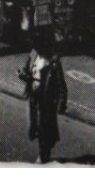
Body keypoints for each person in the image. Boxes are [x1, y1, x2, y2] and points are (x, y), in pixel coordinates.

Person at [17, 29, 68, 163]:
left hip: (47, 99)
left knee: (44, 128)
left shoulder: (54, 62)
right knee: (35, 125)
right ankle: (44, 151)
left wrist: (62, 103)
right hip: (34, 96)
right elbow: (26, 70)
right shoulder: (33, 54)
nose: (37, 50)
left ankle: (44, 154)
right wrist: (23, 76)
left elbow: (61, 84)